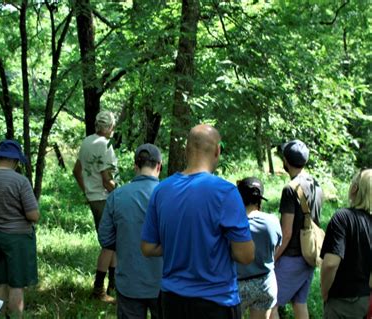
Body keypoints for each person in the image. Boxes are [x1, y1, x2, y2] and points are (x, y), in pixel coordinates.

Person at [141, 124, 255, 319]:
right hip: (216, 302)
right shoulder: (225, 192)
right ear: (217, 151)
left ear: (186, 150)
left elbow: (148, 247)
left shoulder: (161, 190)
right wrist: (210, 244)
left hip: (171, 301)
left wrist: (179, 242)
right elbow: (245, 255)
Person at [0, 140, 39, 318]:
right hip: (18, 238)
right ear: (15, 160)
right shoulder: (21, 181)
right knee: (17, 284)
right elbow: (33, 215)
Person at [98, 143, 163, 319]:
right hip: (163, 284)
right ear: (159, 166)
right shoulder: (170, 196)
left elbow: (105, 238)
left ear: (135, 166)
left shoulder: (116, 196)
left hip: (129, 282)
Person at [271, 139, 324, 319]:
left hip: (292, 258)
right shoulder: (316, 185)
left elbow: (286, 234)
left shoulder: (290, 189)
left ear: (285, 161)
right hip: (310, 255)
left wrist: (272, 258)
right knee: (299, 304)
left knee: (270, 306)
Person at [73, 110, 118, 303]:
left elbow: (77, 171)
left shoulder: (86, 142)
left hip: (95, 197)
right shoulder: (104, 145)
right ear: (108, 128)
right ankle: (99, 290)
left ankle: (114, 286)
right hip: (105, 198)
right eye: (112, 127)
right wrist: (121, 193)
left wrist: (87, 191)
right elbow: (107, 179)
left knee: (114, 242)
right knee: (109, 243)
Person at [320, 168, 371, 318]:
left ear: (355, 188)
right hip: (365, 301)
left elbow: (330, 264)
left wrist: (324, 291)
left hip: (342, 301)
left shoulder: (342, 218)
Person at [236, 177, 282, 319]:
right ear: (260, 199)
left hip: (238, 286)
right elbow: (276, 251)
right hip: (265, 284)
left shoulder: (232, 224)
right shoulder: (272, 221)